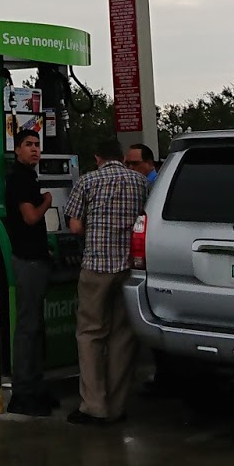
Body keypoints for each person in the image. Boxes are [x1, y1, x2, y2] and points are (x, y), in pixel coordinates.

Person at [62, 137, 149, 426]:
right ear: (122, 158)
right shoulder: (140, 182)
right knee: (122, 336)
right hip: (129, 269)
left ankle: (94, 406)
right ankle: (117, 406)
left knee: (90, 334)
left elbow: (75, 227)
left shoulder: (87, 181)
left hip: (96, 267)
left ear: (98, 158)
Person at [3, 128, 56, 416]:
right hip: (28, 260)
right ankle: (23, 392)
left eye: (37, 144)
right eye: (28, 144)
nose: (35, 149)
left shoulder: (28, 177)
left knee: (36, 326)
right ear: (17, 150)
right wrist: (47, 200)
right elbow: (30, 217)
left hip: (37, 257)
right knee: (28, 326)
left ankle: (35, 386)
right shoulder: (21, 179)